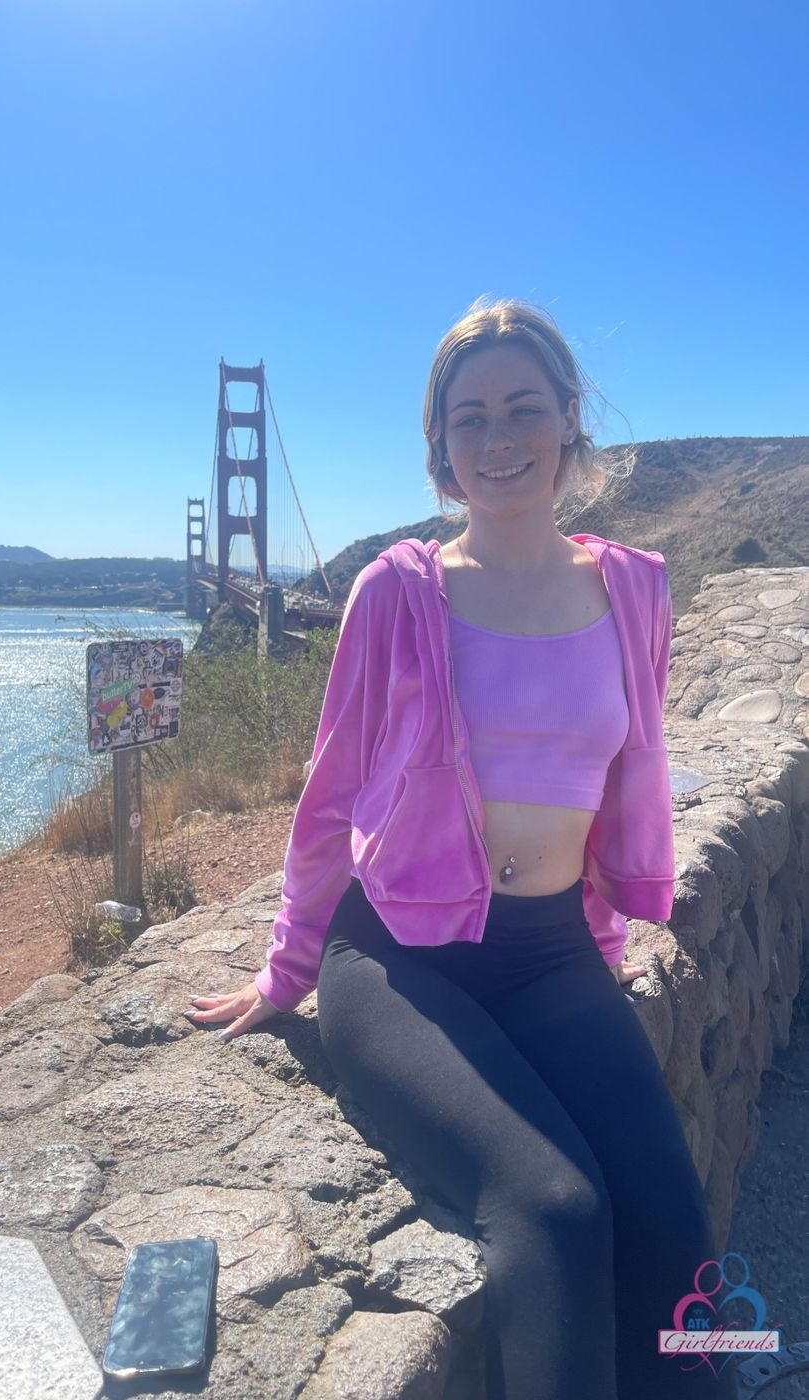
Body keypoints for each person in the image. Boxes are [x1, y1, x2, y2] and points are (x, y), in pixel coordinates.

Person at [186, 298, 738, 1399]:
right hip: (397, 960)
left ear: (569, 419)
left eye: (523, 408)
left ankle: (710, 1388)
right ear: (438, 444)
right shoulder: (397, 591)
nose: (497, 438)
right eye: (468, 417)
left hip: (549, 950)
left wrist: (602, 937)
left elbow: (614, 774)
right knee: (553, 1207)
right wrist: (288, 968)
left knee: (674, 1220)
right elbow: (332, 794)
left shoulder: (635, 589)